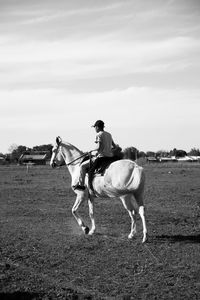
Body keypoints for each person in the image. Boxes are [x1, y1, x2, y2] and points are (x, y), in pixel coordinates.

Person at [73, 120, 116, 191]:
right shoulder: (109, 134)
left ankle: (81, 185)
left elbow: (98, 147)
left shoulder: (99, 134)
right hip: (110, 157)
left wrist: (91, 150)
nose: (94, 129)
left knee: (82, 166)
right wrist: (107, 149)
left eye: (95, 127)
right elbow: (114, 147)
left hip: (101, 157)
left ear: (97, 127)